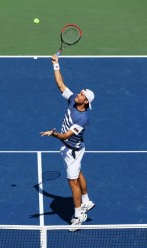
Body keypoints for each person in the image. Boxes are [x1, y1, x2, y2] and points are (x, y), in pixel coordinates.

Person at [40, 54, 94, 231]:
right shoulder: (72, 100)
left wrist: (53, 134)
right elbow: (61, 85)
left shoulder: (82, 118)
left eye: (81, 94)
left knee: (72, 182)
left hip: (72, 150)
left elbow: (66, 136)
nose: (77, 94)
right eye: (79, 93)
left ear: (85, 102)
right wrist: (56, 65)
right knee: (78, 173)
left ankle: (78, 215)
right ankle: (86, 201)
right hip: (71, 149)